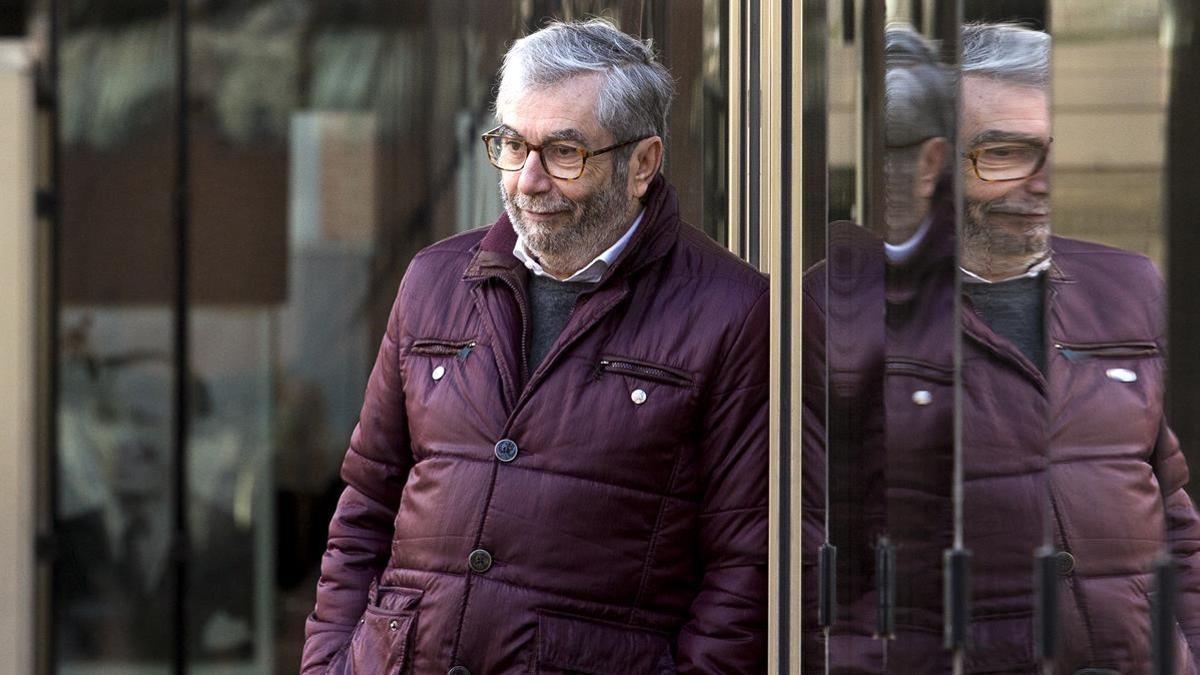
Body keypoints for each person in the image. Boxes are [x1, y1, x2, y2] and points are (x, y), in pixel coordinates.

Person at [301, 18, 768, 674]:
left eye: (564, 153)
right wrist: (330, 664)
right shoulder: (433, 280)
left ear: (642, 164)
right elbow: (364, 508)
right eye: (513, 145)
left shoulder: (733, 310)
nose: (527, 180)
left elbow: (741, 570)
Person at [805, 22, 1200, 674]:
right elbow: (811, 555)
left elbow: (1175, 526)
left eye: (1050, 153)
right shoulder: (842, 308)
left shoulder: (1128, 286)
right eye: (1005, 153)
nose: (1040, 183)